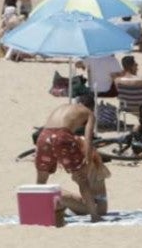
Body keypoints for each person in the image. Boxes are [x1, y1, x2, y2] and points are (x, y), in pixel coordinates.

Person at [35, 94, 103, 222]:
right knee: (82, 179)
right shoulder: (88, 113)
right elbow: (88, 137)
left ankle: (40, 215)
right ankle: (94, 216)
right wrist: (87, 159)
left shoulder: (63, 107)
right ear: (92, 107)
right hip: (62, 136)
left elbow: (49, 127)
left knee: (42, 179)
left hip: (43, 135)